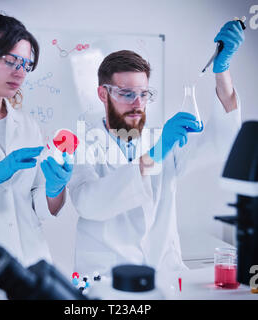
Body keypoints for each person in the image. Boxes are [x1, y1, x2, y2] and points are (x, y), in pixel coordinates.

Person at [68, 20, 244, 277]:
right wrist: (155, 155)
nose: (138, 103)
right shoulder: (83, 145)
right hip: (105, 280)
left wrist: (222, 71)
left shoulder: (162, 140)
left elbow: (222, 142)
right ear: (103, 94)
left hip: (164, 275)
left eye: (143, 93)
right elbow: (90, 204)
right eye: (126, 93)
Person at [0, 8, 73, 298]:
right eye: (11, 60)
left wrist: (55, 190)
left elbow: (42, 205)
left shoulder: (28, 125)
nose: (20, 71)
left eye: (26, 63)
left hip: (34, 269)